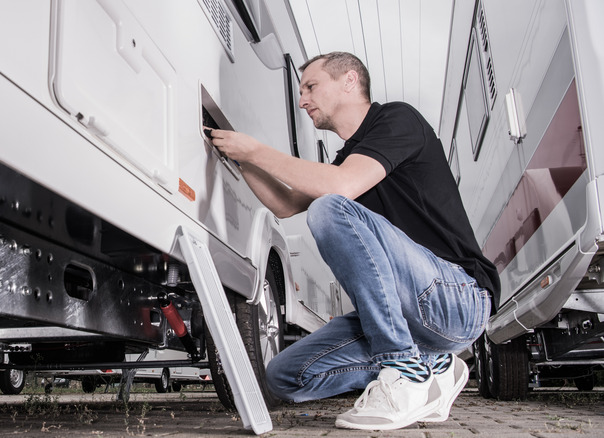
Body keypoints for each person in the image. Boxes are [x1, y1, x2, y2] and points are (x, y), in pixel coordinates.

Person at [206, 51, 499, 431]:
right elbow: (285, 202)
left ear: (349, 80)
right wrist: (242, 158)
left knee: (328, 208)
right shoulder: (348, 158)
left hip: (457, 298)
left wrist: (257, 150)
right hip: (411, 317)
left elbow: (338, 188)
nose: (302, 100)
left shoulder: (398, 119)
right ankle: (434, 365)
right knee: (284, 376)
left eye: (311, 86)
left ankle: (404, 370)